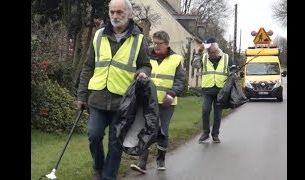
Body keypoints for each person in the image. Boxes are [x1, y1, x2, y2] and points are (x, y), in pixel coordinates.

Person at [76, 0, 152, 179]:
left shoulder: (139, 39)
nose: (115, 16)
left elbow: (146, 65)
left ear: (129, 14)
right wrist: (81, 95)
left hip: (123, 101)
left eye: (120, 12)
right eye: (112, 12)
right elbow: (88, 66)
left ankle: (108, 176)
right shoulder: (98, 35)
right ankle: (98, 168)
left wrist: (142, 73)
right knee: (94, 136)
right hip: (97, 98)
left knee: (115, 143)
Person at [130, 30, 185, 173]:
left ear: (167, 44)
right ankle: (142, 162)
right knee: (144, 128)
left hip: (166, 102)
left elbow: (180, 80)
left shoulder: (176, 59)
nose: (155, 46)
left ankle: (160, 159)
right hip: (147, 101)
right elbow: (137, 73)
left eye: (159, 43)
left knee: (162, 131)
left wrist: (172, 93)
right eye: (153, 42)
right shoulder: (146, 57)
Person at [192, 37, 237, 144]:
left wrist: (233, 74)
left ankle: (215, 135)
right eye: (208, 52)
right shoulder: (204, 57)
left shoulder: (226, 57)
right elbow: (195, 65)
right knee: (205, 111)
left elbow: (234, 68)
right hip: (207, 90)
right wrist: (198, 53)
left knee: (217, 114)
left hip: (221, 91)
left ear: (217, 50)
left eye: (212, 52)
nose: (210, 55)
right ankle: (205, 133)